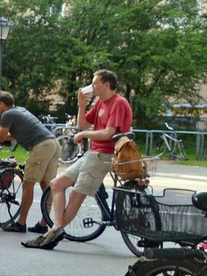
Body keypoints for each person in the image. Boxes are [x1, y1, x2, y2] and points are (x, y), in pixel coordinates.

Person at [24, 69, 132, 250]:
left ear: (106, 84)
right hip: (92, 154)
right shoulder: (100, 103)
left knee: (76, 195)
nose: (92, 86)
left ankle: (51, 233)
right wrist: (81, 105)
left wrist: (84, 134)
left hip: (103, 155)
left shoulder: (118, 103)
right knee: (57, 184)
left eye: (95, 83)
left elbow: (108, 133)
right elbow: (82, 124)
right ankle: (56, 229)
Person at [0, 91, 58, 235]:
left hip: (40, 146)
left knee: (28, 184)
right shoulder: (19, 110)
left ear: (1, 104)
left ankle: (21, 223)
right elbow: (12, 135)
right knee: (45, 185)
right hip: (52, 143)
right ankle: (44, 223)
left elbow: (1, 137)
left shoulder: (7, 115)